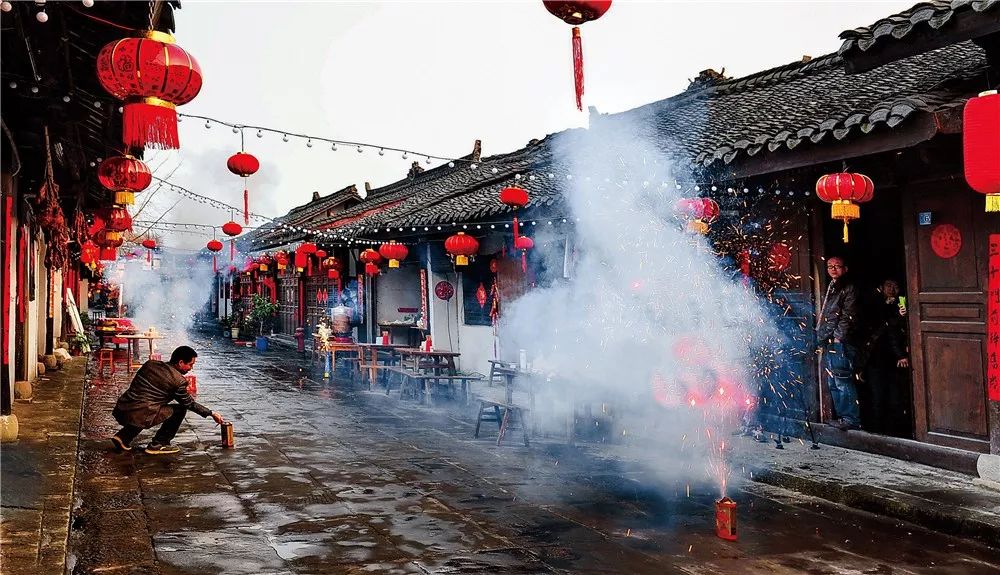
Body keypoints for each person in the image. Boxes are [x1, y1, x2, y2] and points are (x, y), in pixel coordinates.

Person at [110, 346, 224, 455]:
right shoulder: (178, 380)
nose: (191, 368)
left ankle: (123, 437)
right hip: (141, 413)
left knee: (147, 405)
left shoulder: (150, 364)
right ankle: (159, 444)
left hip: (124, 407)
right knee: (179, 409)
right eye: (190, 364)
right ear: (180, 363)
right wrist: (211, 413)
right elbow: (189, 403)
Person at [816, 257, 862, 431]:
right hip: (829, 339)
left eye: (837, 266)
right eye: (829, 266)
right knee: (833, 380)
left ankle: (850, 418)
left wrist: (838, 337)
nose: (833, 269)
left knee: (842, 379)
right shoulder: (832, 286)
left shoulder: (849, 288)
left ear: (845, 268)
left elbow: (847, 316)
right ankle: (843, 417)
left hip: (840, 341)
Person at [864, 279, 911, 436]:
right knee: (878, 394)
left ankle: (895, 431)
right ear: (882, 287)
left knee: (895, 396)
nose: (892, 289)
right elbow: (888, 330)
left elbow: (899, 332)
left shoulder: (902, 302)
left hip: (893, 359)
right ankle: (877, 430)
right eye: (889, 285)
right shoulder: (875, 304)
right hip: (877, 356)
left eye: (896, 286)